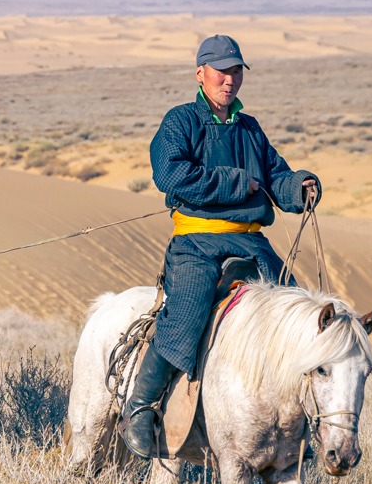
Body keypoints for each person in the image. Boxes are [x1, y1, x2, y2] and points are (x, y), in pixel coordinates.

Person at [122, 34, 321, 459]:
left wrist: (299, 185)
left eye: (235, 72)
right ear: (200, 74)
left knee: (300, 312)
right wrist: (236, 182)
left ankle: (309, 420)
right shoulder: (180, 122)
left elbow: (275, 176)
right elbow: (171, 177)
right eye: (220, 71)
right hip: (196, 242)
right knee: (189, 311)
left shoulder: (250, 129)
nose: (228, 80)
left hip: (251, 242)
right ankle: (140, 408)